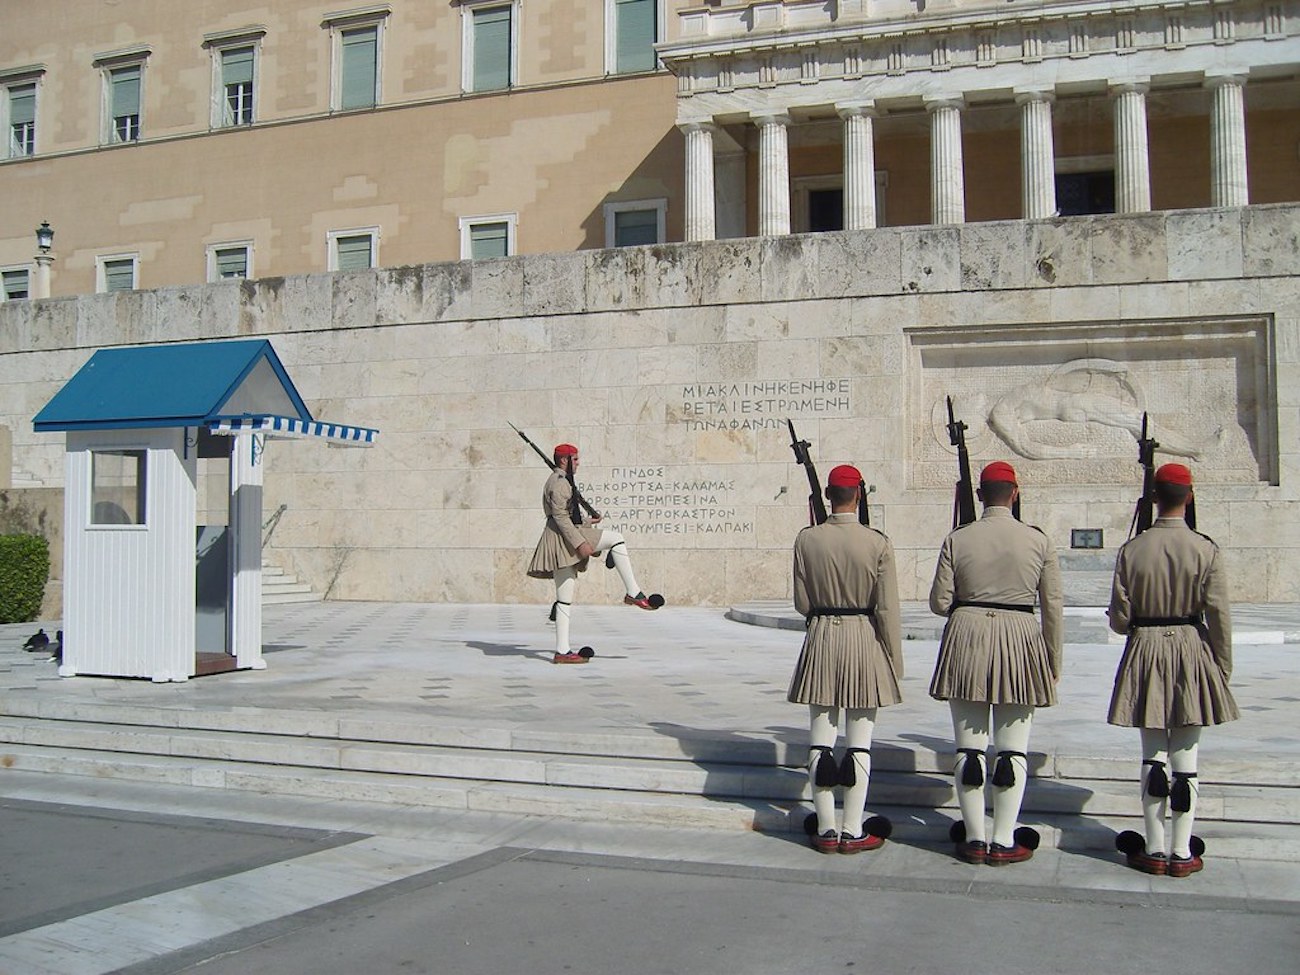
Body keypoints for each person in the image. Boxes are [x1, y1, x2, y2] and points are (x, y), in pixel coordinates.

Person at [1107, 463, 1238, 878]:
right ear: (1190, 497)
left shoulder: (1132, 549)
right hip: (1190, 649)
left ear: (1153, 500)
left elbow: (1120, 620)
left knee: (1153, 758)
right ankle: (1181, 850)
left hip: (1145, 647)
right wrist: (1222, 667)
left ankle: (1154, 844)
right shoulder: (1206, 549)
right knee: (1187, 758)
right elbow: (1219, 615)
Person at [929, 460, 1063, 865]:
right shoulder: (1038, 541)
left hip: (967, 635)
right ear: (1015, 493)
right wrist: (1052, 661)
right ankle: (1003, 839)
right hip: (1021, 637)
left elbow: (938, 602)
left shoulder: (959, 538)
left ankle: (973, 837)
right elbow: (1053, 607)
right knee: (1012, 751)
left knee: (969, 749)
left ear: (980, 495)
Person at [788, 465, 903, 854]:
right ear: (859, 496)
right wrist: (893, 662)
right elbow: (886, 609)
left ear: (827, 497)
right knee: (859, 743)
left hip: (821, 634)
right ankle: (852, 829)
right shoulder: (877, 542)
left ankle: (825, 826)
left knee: (820, 742)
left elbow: (802, 603)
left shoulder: (807, 540)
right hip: (863, 637)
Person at [526, 443, 658, 664]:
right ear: (563, 461)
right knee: (616, 539)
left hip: (560, 538)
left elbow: (568, 517)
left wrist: (588, 521)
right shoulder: (559, 484)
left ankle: (562, 651)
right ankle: (633, 592)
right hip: (565, 539)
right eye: (575, 459)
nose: (578, 463)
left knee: (564, 600)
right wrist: (580, 544)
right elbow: (560, 518)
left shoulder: (561, 481)